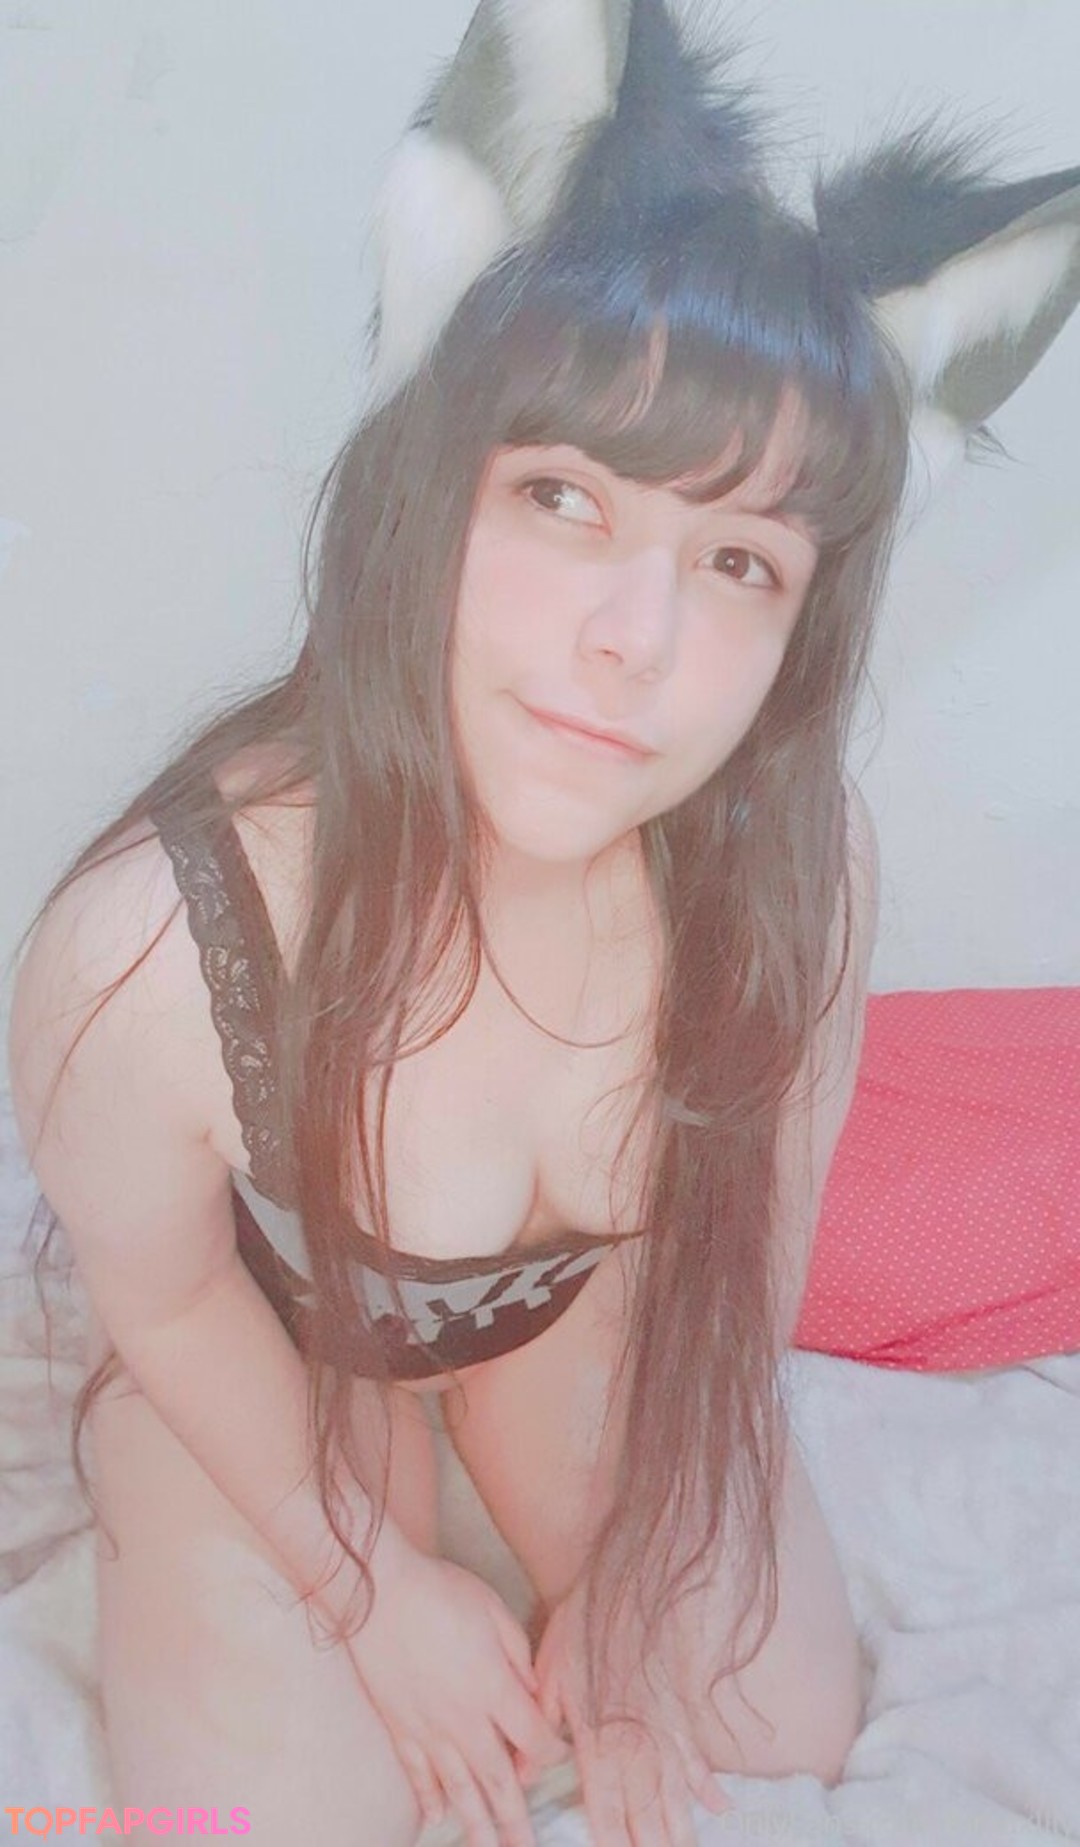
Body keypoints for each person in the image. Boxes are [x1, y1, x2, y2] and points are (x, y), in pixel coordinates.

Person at [7, 3, 1080, 1844]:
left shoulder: (795, 872)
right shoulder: (149, 954)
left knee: (772, 1716)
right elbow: (165, 1285)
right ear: (429, 490)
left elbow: (748, 1252)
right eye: (563, 499)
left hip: (565, 1324)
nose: (633, 644)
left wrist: (646, 1554)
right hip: (271, 1322)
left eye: (735, 560)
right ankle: (216, 1473)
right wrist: (369, 1589)